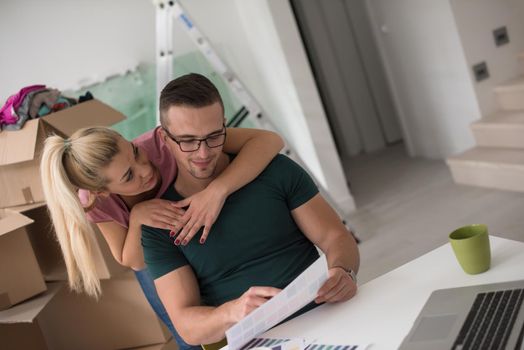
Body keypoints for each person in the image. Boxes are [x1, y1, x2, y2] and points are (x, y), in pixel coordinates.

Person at [141, 73, 360, 346]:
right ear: (164, 137)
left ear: (225, 126)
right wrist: (232, 311)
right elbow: (187, 326)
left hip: (329, 316)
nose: (203, 153)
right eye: (187, 140)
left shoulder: (276, 171)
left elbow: (335, 237)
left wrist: (343, 271)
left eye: (214, 136)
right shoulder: (160, 222)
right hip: (257, 340)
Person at [40, 112, 284, 349]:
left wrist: (216, 190)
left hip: (207, 229)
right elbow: (133, 260)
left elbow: (269, 140)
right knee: (187, 333)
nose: (144, 170)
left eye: (135, 152)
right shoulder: (99, 204)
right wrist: (137, 218)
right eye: (128, 176)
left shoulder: (163, 142)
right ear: (103, 192)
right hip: (157, 254)